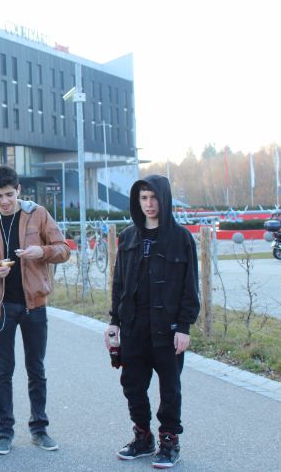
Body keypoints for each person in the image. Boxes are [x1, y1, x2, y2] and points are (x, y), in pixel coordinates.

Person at [105, 175, 200, 469]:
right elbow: (119, 283)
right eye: (143, 198)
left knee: (169, 388)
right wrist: (114, 322)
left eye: (154, 197)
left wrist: (184, 327)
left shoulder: (181, 239)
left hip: (167, 328)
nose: (149, 204)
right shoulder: (128, 237)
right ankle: (143, 436)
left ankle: (169, 441)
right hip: (133, 326)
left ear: (164, 199)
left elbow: (190, 287)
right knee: (132, 384)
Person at [0, 165, 71, 455]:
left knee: (36, 368)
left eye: (9, 194)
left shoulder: (38, 214)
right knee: (3, 371)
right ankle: (4, 433)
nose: (4, 201)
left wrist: (42, 252)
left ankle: (39, 429)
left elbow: (63, 249)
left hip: (35, 305)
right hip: (1, 307)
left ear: (18, 190)